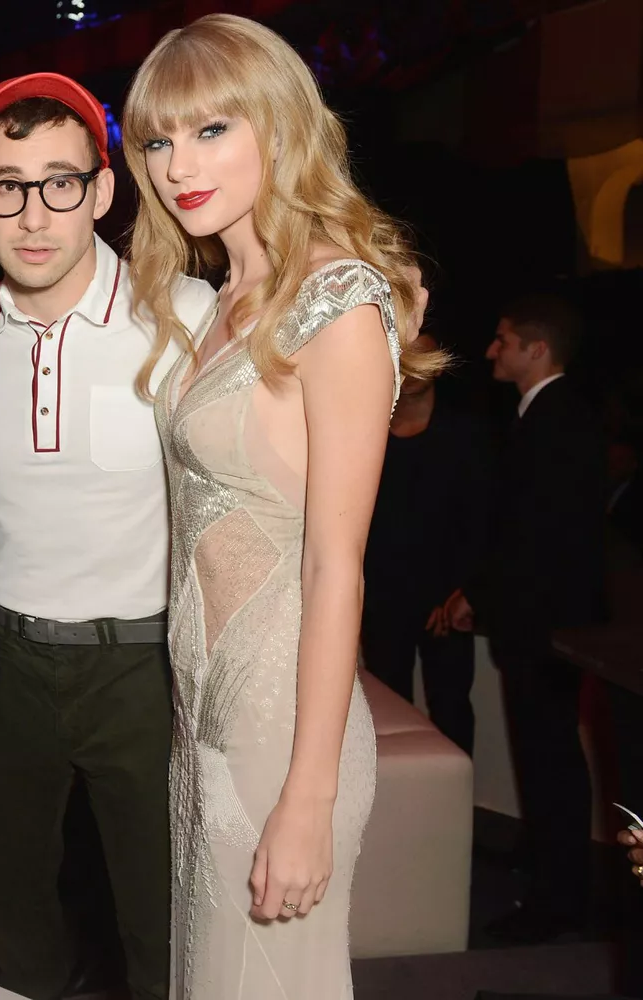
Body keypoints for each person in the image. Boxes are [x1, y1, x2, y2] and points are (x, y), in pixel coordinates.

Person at [123, 14, 441, 997]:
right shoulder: (222, 297)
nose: (180, 164)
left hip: (279, 724)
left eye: (212, 129)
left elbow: (334, 562)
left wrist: (309, 793)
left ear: (281, 125)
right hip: (203, 706)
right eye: (159, 140)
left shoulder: (336, 298)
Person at [0, 73, 214, 1000]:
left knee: (160, 911)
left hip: (141, 670)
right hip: (6, 663)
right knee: (10, 902)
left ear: (103, 191)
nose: (34, 215)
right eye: (8, 186)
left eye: (60, 183)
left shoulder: (184, 317)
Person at [443, 293, 607, 943]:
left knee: (549, 758)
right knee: (545, 753)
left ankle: (558, 901)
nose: (491, 350)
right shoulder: (548, 415)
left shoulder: (558, 418)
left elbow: (533, 530)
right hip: (539, 621)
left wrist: (476, 592)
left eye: (503, 340)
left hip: (547, 625)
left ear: (537, 350)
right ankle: (547, 863)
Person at [361, 332, 490, 755]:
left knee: (451, 707)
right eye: (403, 357)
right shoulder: (367, 431)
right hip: (381, 597)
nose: (412, 367)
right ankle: (400, 812)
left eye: (422, 357)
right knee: (386, 710)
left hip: (444, 603)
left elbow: (478, 523)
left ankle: (457, 813)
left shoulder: (464, 433)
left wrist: (456, 592)